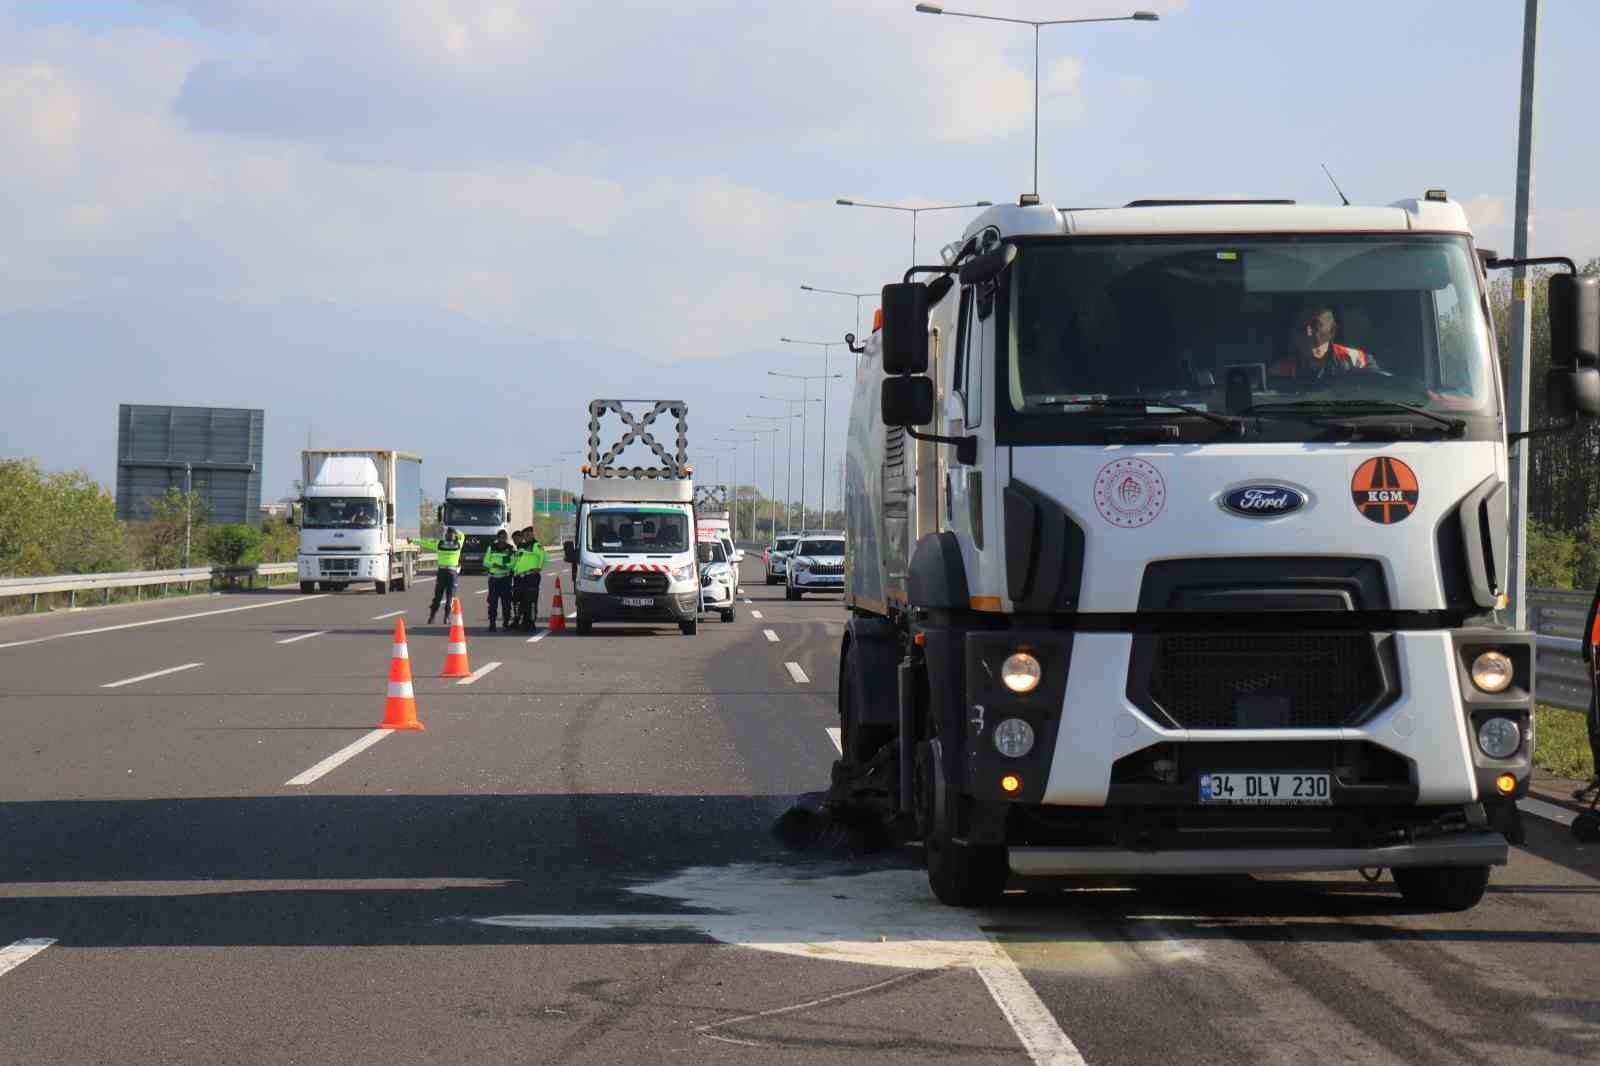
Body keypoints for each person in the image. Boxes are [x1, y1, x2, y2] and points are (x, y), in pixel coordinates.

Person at [1269, 305, 1377, 382]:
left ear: (1332, 331)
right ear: (1294, 335)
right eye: (1301, 328)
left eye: (1315, 326)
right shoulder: (1279, 371)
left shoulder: (1357, 361)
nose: (1308, 334)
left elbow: (1377, 392)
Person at [416, 527, 465, 625]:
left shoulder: (439, 543)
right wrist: (455, 531)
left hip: (442, 572)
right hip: (452, 573)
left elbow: (424, 543)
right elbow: (462, 535)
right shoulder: (458, 544)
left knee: (438, 596)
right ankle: (446, 618)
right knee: (450, 596)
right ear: (454, 536)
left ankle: (432, 617)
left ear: (446, 536)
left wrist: (413, 540)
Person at [512, 526, 547, 632]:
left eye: (528, 534)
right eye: (524, 535)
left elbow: (543, 556)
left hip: (531, 577)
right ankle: (523, 622)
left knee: (531, 601)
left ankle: (531, 623)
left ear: (532, 534)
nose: (526, 536)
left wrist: (539, 568)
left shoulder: (536, 545)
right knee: (521, 600)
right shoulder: (522, 546)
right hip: (520, 577)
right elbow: (518, 560)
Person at [482, 529, 516, 632]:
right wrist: (494, 565)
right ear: (498, 538)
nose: (503, 539)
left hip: (505, 579)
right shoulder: (491, 547)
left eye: (505, 537)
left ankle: (505, 623)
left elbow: (513, 563)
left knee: (506, 603)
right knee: (492, 603)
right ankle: (492, 624)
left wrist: (504, 567)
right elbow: (485, 562)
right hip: (493, 579)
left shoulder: (510, 549)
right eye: (501, 537)